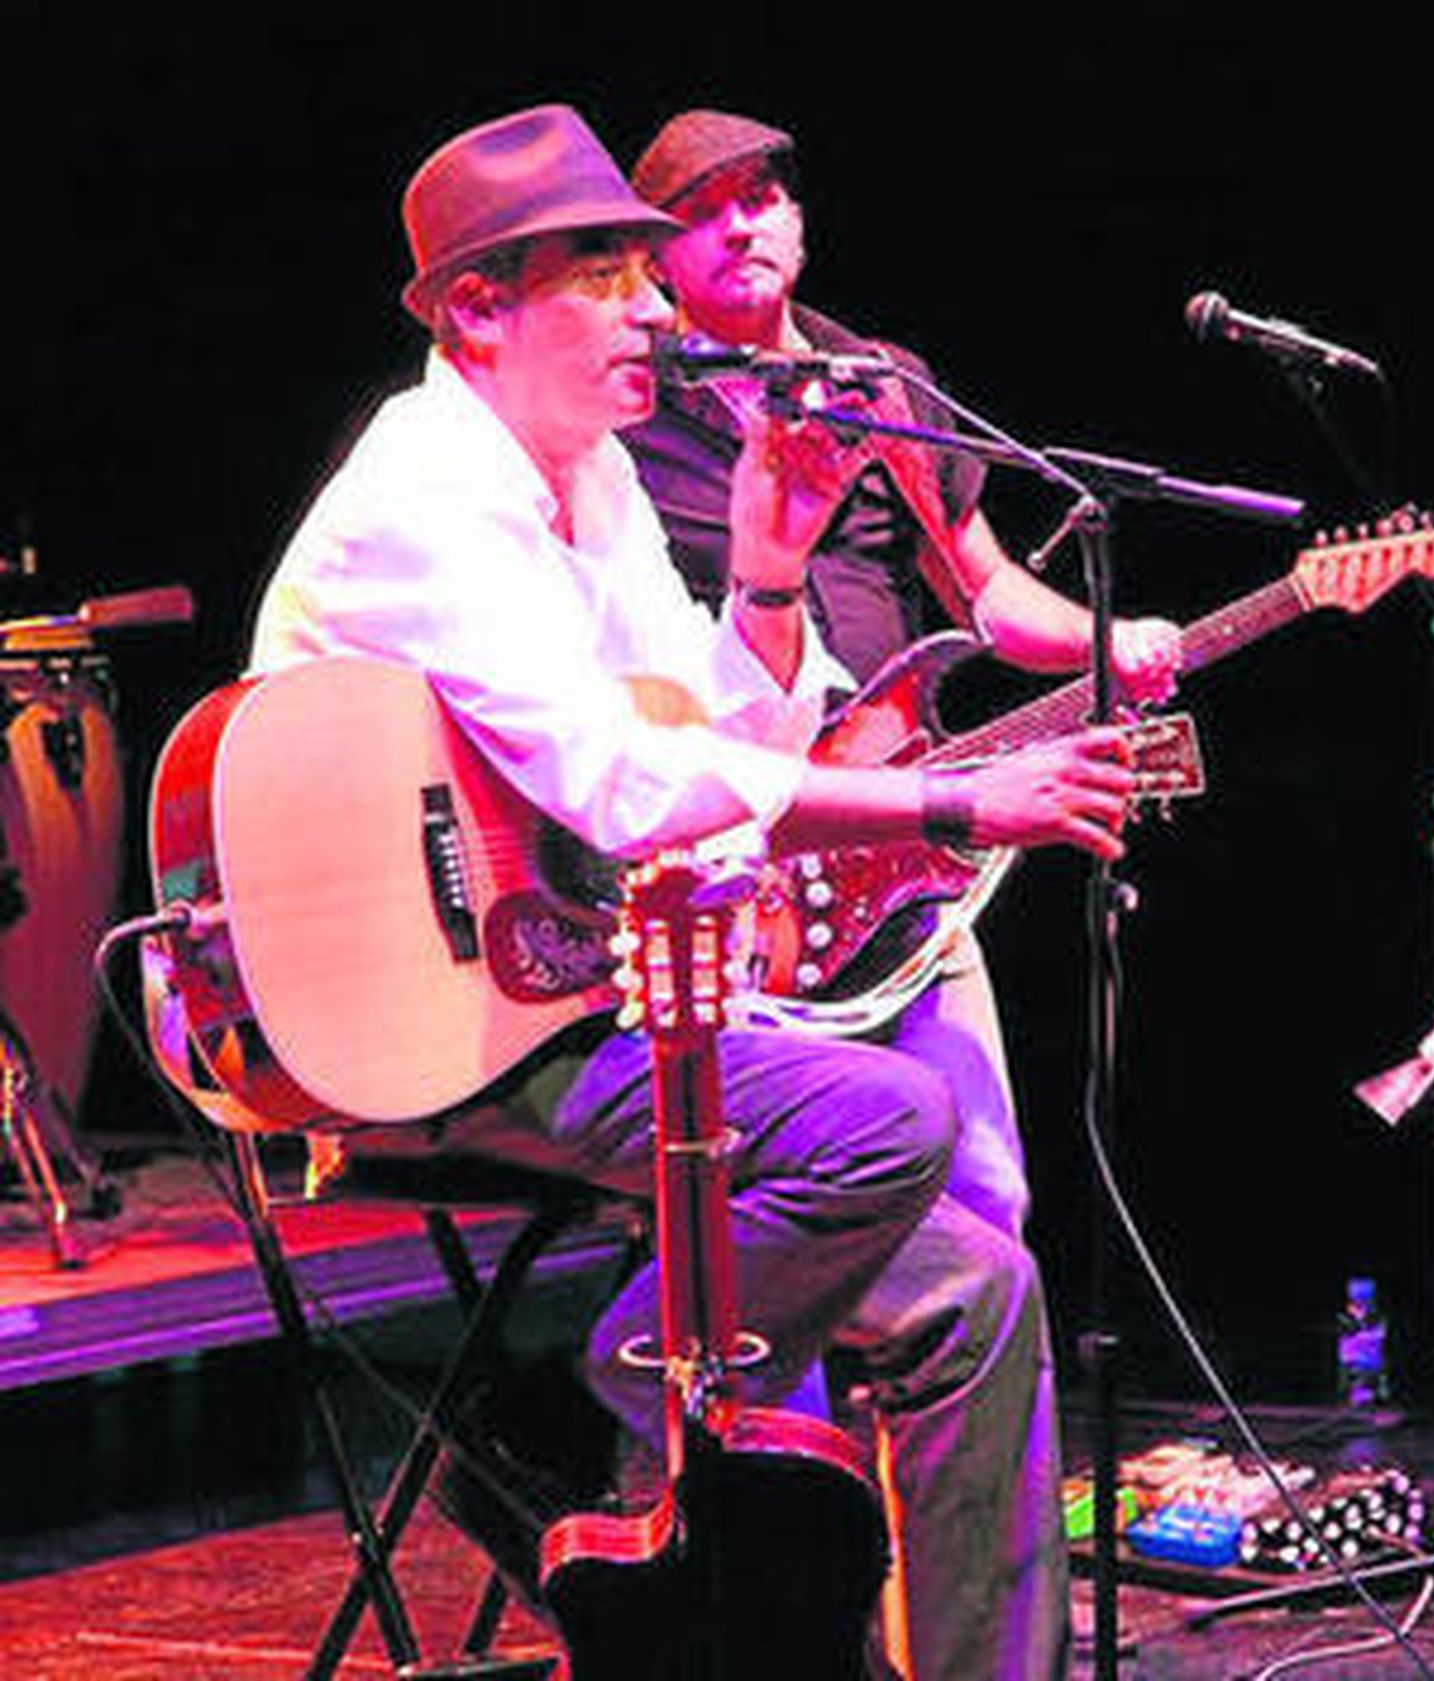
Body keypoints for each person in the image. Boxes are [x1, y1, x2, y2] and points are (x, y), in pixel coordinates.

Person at [247, 104, 1137, 1681]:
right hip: (431, 1029)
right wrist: (944, 795)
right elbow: (626, 788)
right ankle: (617, 1392)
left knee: (984, 1290)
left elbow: (706, 752)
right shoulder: (423, 502)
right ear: (480, 307)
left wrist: (773, 574)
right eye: (613, 276)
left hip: (566, 995)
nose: (661, 311)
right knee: (884, 1116)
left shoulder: (584, 477)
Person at [625, 109, 1182, 1241]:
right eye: (699, 213)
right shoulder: (629, 410)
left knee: (989, 1191)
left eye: (759, 199)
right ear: (654, 255)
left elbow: (979, 594)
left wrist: (1102, 639)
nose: (738, 229)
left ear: (798, 220)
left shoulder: (878, 384)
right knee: (772, 1201)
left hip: (896, 838)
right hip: (745, 847)